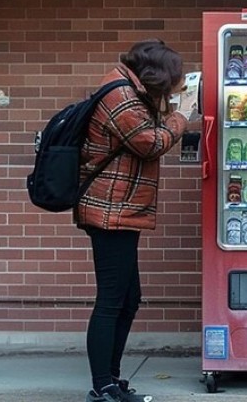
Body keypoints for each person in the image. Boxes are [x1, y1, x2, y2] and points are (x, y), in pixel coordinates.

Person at [77, 39, 194, 402]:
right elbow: (150, 143)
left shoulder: (129, 89)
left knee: (129, 298)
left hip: (120, 210)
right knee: (112, 300)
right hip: (110, 212)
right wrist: (183, 112)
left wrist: (167, 104)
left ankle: (110, 379)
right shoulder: (121, 97)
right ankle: (103, 386)